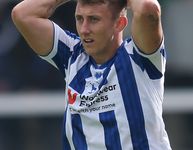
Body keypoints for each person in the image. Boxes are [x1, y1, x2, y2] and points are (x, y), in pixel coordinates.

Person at [11, 0, 172, 149]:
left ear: (119, 24)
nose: (84, 29)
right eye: (80, 19)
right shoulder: (71, 56)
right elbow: (22, 14)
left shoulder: (140, 57)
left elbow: (148, 8)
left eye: (94, 19)